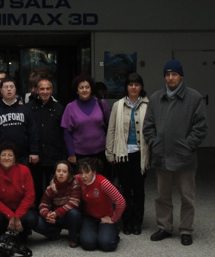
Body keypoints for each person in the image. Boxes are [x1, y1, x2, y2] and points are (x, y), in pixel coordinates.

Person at [144, 59, 207, 246]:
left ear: (181, 76)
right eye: (168, 74)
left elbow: (201, 127)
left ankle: (186, 229)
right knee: (162, 195)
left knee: (187, 195)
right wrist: (155, 144)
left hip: (184, 157)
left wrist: (188, 145)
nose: (171, 78)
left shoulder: (194, 98)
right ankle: (164, 227)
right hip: (162, 156)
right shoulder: (156, 98)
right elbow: (148, 127)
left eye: (174, 74)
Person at [106, 72, 150, 235]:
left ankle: (137, 222)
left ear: (141, 87)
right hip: (122, 154)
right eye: (130, 84)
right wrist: (109, 153)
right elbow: (111, 130)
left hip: (140, 154)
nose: (133, 87)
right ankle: (126, 222)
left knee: (138, 190)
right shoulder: (118, 105)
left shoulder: (148, 105)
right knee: (124, 189)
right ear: (126, 87)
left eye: (137, 84)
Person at [0, 143, 38, 240]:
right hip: (3, 211)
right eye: (3, 155)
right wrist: (10, 216)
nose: (6, 158)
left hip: (22, 210)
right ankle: (4, 234)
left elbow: (30, 196)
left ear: (14, 158)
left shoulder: (24, 171)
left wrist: (18, 215)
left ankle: (23, 233)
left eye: (10, 155)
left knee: (31, 219)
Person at [28, 77, 67, 198]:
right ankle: (38, 214)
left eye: (47, 89)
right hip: (35, 156)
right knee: (36, 188)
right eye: (42, 89)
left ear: (51, 91)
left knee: (54, 189)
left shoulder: (59, 108)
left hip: (54, 155)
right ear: (37, 91)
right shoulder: (28, 108)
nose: (45, 92)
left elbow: (63, 133)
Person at [76, 157, 126, 252]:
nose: (83, 176)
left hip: (105, 216)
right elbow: (66, 180)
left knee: (106, 244)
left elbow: (121, 201)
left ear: (94, 172)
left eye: (87, 172)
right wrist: (53, 183)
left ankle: (114, 230)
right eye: (81, 172)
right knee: (88, 244)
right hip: (89, 217)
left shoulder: (103, 182)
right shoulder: (78, 179)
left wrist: (113, 219)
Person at [61, 75, 110, 168]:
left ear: (91, 89)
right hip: (79, 156)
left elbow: (110, 127)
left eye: (87, 87)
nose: (84, 90)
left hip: (101, 154)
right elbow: (67, 133)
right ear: (77, 90)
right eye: (81, 87)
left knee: (100, 182)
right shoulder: (70, 107)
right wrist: (71, 154)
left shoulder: (101, 104)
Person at [0, 76, 40, 167]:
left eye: (11, 87)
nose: (9, 90)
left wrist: (34, 151)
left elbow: (32, 132)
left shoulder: (25, 110)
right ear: (0, 90)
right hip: (1, 158)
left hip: (23, 156)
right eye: (6, 87)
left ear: (15, 89)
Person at [34, 161, 82, 248]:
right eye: (58, 171)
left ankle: (73, 238)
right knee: (35, 221)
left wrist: (56, 213)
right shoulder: (51, 188)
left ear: (69, 173)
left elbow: (74, 202)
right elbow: (42, 205)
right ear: (55, 173)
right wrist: (47, 215)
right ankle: (54, 234)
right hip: (55, 219)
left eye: (64, 171)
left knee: (74, 213)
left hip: (69, 217)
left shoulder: (74, 184)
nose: (61, 174)